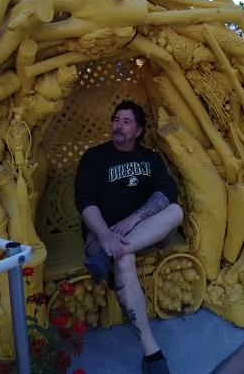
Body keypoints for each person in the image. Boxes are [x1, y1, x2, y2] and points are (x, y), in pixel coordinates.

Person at [74, 100, 183, 374]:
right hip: (104, 232)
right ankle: (152, 354)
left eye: (126, 121)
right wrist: (104, 235)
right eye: (116, 120)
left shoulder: (150, 158)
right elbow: (85, 201)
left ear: (138, 130)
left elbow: (167, 192)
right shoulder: (94, 157)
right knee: (124, 261)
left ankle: (106, 256)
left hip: (144, 231)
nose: (118, 126)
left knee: (175, 211)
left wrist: (133, 220)